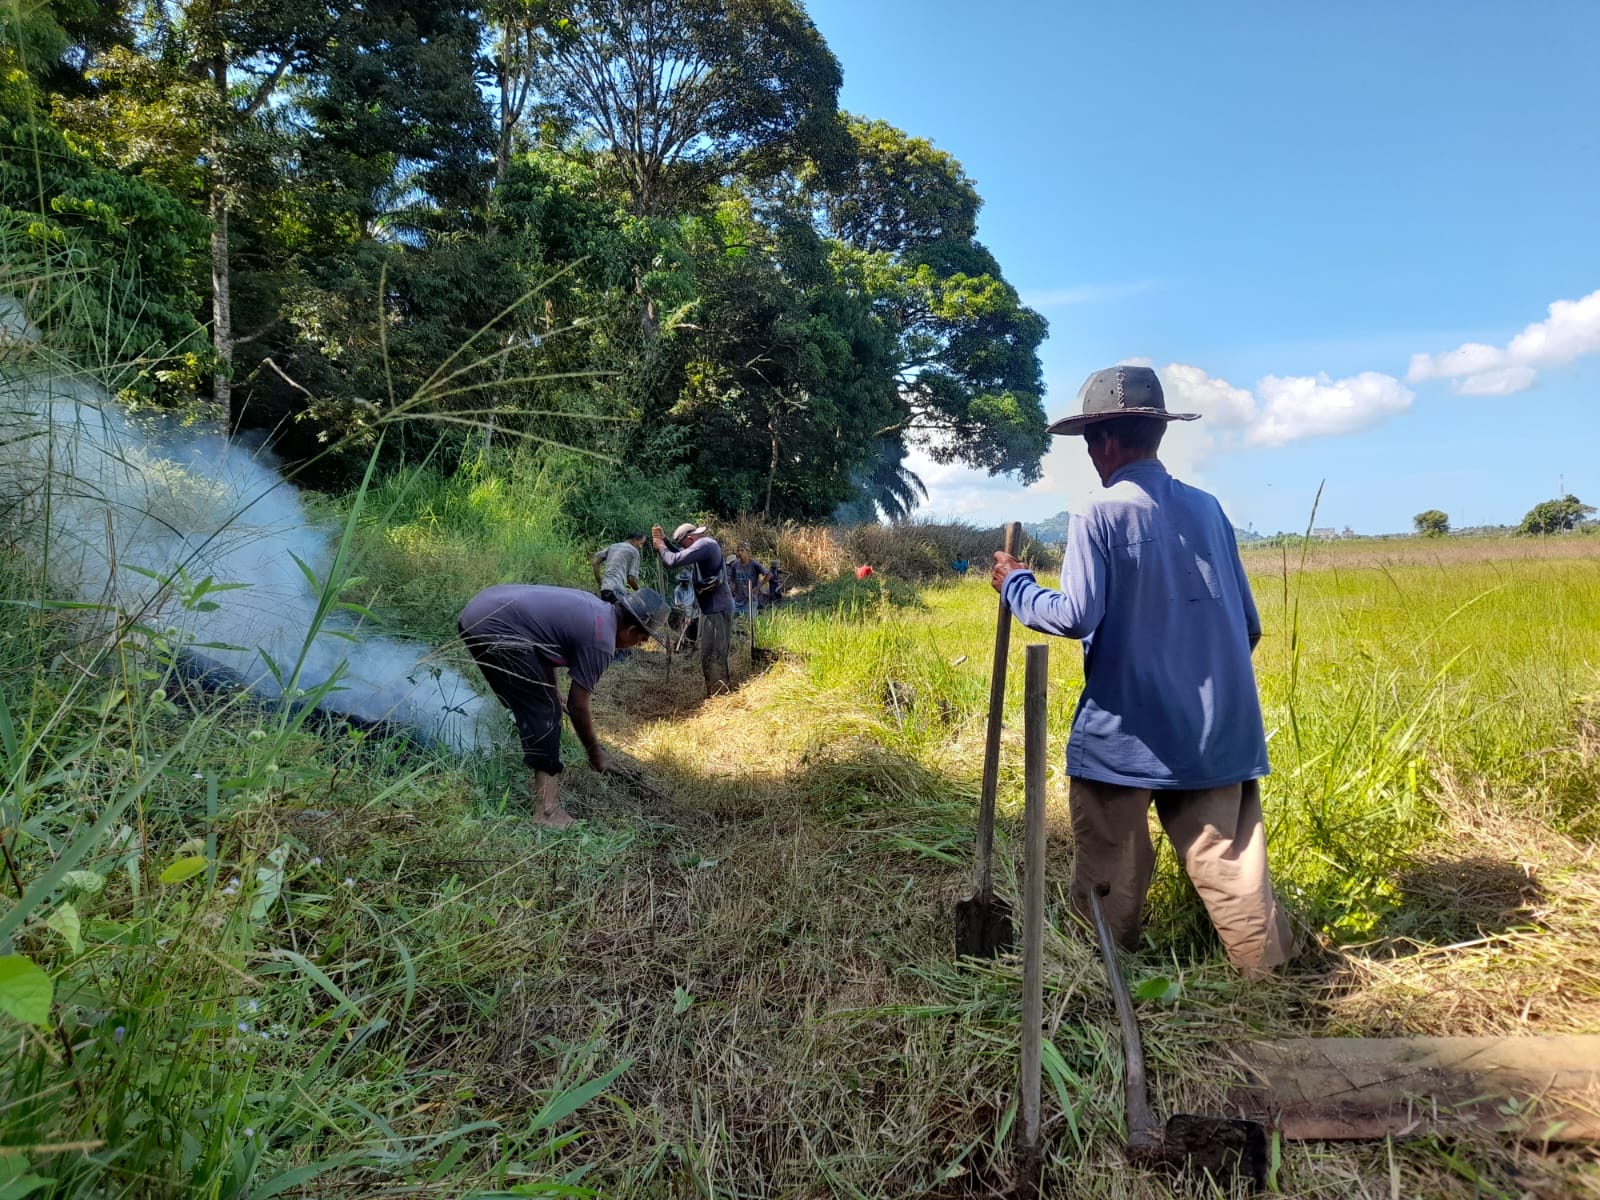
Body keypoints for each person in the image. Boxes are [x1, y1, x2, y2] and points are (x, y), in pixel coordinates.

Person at [989, 364, 1292, 978]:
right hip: (1218, 732)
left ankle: (1100, 980)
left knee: (1109, 872)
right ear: (1155, 436)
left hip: (1124, 737)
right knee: (1232, 869)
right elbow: (1248, 627)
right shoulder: (1209, 510)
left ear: (1102, 440)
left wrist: (1015, 585)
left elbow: (1075, 615)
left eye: (1089, 443)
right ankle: (1272, 990)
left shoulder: (1098, 513)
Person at [459, 584, 669, 829]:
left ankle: (498, 748)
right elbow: (578, 705)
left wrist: (551, 689)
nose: (642, 644)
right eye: (643, 638)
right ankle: (547, 812)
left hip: (478, 611)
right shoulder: (601, 641)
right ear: (631, 629)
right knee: (545, 714)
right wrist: (595, 752)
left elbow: (543, 647)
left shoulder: (598, 610)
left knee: (531, 701)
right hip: (496, 626)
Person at [653, 521, 733, 696]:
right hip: (711, 609)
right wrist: (665, 542)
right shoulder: (701, 546)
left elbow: (673, 561)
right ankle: (717, 691)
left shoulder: (704, 544)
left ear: (690, 538)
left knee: (714, 653)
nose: (684, 549)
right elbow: (679, 554)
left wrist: (660, 546)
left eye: (684, 545)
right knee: (710, 651)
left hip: (717, 609)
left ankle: (720, 695)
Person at [591, 532, 644, 603]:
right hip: (617, 591)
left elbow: (595, 562)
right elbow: (631, 580)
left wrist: (600, 583)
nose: (641, 547)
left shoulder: (613, 546)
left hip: (605, 588)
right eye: (641, 543)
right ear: (635, 539)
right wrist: (639, 592)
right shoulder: (634, 552)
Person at [727, 543, 771, 614]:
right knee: (734, 621)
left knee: (750, 622)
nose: (740, 553)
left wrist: (757, 587)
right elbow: (730, 577)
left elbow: (769, 574)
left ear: (747, 552)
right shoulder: (735, 565)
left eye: (742, 550)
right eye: (738, 551)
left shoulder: (754, 564)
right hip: (738, 600)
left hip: (751, 600)